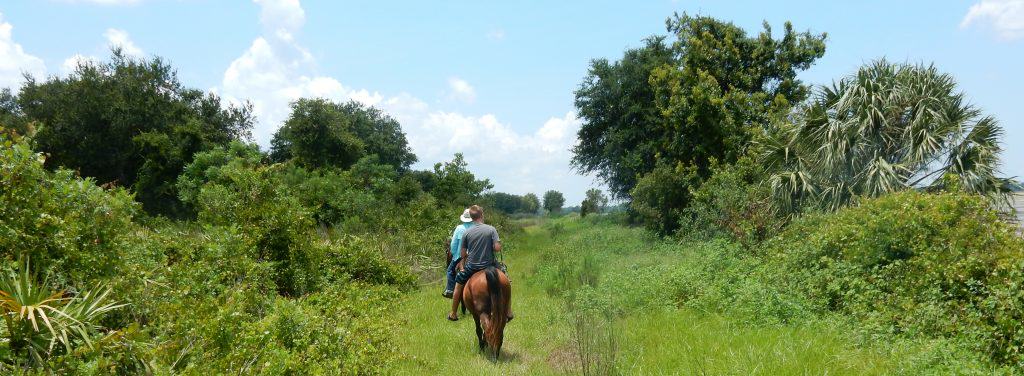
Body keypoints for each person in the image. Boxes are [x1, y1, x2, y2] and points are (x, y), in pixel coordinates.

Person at [448, 205, 512, 322]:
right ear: (482, 215)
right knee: (506, 279)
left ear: (471, 217)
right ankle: (508, 310)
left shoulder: (467, 233)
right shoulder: (491, 229)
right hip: (490, 265)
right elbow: (497, 248)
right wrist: (495, 245)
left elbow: (462, 254)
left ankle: (453, 312)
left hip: (472, 267)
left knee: (458, 283)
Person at [443, 208, 475, 298]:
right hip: (475, 256)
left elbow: (453, 245)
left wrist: (453, 254)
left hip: (460, 256)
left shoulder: (459, 228)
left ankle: (450, 290)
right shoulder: (476, 227)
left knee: (449, 271)